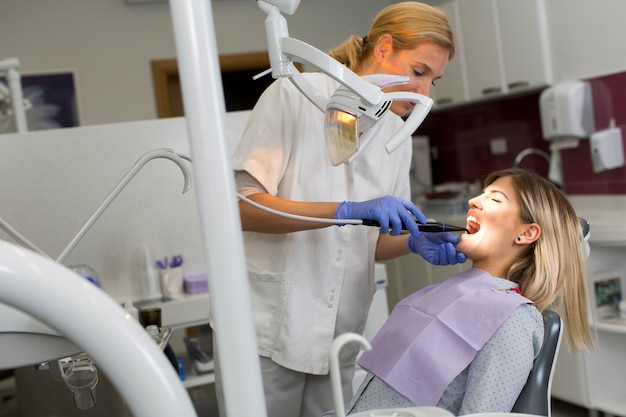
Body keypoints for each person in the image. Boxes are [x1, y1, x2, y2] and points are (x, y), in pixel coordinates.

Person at [216, 2, 464, 417]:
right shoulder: (296, 95)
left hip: (340, 334)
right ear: (384, 48)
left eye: (433, 81)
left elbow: (375, 241)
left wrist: (412, 241)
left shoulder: (396, 134)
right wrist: (346, 209)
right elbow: (243, 206)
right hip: (270, 329)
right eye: (419, 72)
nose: (423, 93)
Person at [324, 168, 594, 416]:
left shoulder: (513, 320)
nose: (473, 201)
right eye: (481, 194)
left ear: (526, 233)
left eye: (495, 199)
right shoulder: (455, 291)